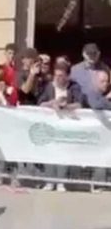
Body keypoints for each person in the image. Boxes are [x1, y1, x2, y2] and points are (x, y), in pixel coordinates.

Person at [38, 63, 83, 192]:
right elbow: (40, 103)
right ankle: (49, 181)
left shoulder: (74, 87)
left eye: (61, 76)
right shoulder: (48, 87)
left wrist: (66, 106)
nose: (58, 78)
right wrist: (51, 103)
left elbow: (80, 104)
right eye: (56, 75)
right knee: (50, 151)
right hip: (50, 125)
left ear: (68, 76)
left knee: (63, 152)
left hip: (66, 124)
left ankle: (61, 182)